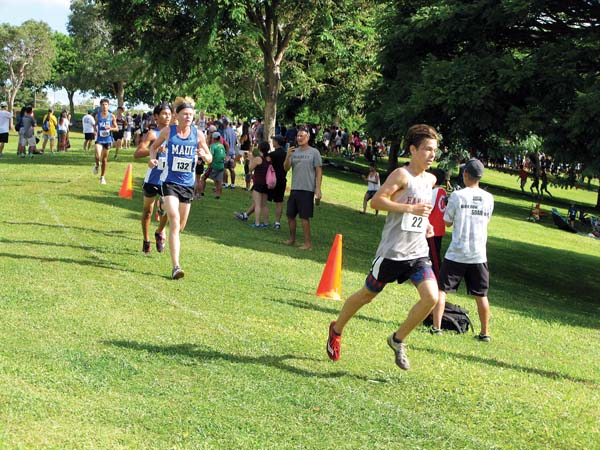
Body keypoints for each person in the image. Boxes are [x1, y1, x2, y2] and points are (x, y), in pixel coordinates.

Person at [326, 124, 440, 370]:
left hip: (417, 253)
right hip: (392, 252)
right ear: (413, 150)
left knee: (431, 297)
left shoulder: (431, 180)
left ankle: (397, 340)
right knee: (366, 295)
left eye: (434, 150)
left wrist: (427, 224)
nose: (432, 155)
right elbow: (377, 201)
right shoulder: (401, 175)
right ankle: (336, 329)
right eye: (427, 149)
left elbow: (421, 212)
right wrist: (409, 209)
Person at [147, 97, 211, 279]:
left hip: (187, 185)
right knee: (174, 221)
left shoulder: (198, 134)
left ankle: (161, 211)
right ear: (177, 115)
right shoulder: (168, 131)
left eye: (191, 114)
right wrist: (152, 159)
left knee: (180, 226)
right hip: (170, 182)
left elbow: (209, 157)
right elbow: (154, 147)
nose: (188, 117)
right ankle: (176, 267)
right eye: (185, 114)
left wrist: (204, 156)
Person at [431, 159, 494, 341]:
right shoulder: (489, 198)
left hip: (457, 252)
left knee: (442, 290)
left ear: (465, 174)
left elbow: (447, 221)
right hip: (478, 254)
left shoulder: (458, 196)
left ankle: (436, 327)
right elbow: (486, 219)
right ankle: (484, 333)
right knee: (481, 295)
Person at [133, 103, 172, 255]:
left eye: (169, 114)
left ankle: (160, 231)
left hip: (168, 178)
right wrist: (154, 149)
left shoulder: (174, 134)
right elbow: (137, 153)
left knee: (168, 209)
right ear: (156, 116)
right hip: (152, 178)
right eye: (164, 114)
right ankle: (146, 240)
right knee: (148, 211)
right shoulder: (152, 133)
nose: (167, 117)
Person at [283, 128, 322, 250]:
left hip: (307, 189)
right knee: (290, 215)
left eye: (302, 136)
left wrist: (318, 188)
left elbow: (319, 171)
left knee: (304, 217)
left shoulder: (314, 152)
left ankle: (307, 244)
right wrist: (288, 155)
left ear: (308, 137)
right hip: (295, 188)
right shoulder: (293, 152)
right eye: (298, 136)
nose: (299, 138)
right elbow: (286, 168)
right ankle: (292, 239)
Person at [427, 168, 447, 278]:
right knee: (434, 251)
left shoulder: (433, 192)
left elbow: (429, 208)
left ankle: (438, 275)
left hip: (432, 227)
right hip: (439, 226)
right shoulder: (443, 191)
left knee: (433, 254)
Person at [93, 99, 118, 185]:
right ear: (100, 106)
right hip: (99, 139)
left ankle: (102, 177)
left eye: (106, 104)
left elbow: (116, 128)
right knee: (97, 156)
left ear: (108, 106)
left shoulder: (112, 116)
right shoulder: (97, 116)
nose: (104, 106)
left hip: (107, 140)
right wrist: (95, 130)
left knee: (104, 160)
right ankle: (97, 165)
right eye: (103, 104)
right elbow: (95, 125)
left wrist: (110, 128)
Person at [247, 141, 272, 227]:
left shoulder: (258, 159)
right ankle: (266, 223)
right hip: (266, 183)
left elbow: (250, 168)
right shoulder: (269, 159)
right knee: (264, 205)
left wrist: (251, 159)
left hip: (258, 183)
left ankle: (257, 223)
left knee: (257, 204)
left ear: (260, 148)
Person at [197, 131, 226, 199]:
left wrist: (208, 164)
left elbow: (210, 156)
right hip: (221, 165)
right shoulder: (222, 146)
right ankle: (218, 194)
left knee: (203, 178)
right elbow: (224, 155)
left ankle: (202, 192)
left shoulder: (213, 146)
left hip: (214, 166)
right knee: (219, 181)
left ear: (213, 138)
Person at [221, 118, 238, 189]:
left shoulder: (224, 131)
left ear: (224, 123)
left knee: (224, 168)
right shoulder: (233, 131)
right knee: (232, 169)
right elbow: (236, 142)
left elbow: (224, 142)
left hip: (226, 152)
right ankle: (233, 184)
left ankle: (225, 183)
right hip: (233, 152)